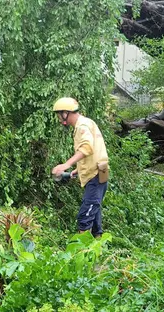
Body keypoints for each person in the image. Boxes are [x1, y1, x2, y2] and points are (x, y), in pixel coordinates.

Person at [51, 97, 109, 238]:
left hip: (95, 176)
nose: (59, 119)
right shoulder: (88, 122)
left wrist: (66, 165)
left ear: (66, 113)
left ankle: (82, 252)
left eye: (59, 115)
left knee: (85, 217)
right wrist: (78, 170)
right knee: (94, 216)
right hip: (98, 173)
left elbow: (86, 148)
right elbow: (96, 151)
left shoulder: (82, 126)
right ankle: (98, 252)